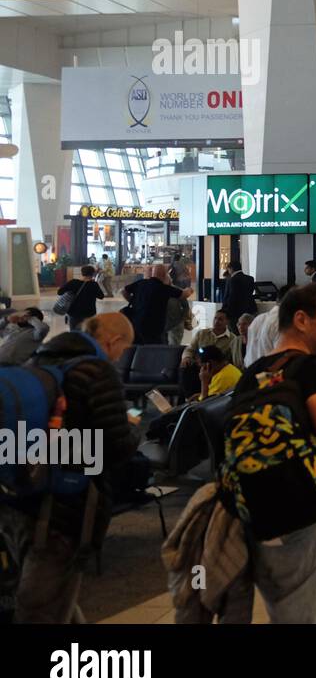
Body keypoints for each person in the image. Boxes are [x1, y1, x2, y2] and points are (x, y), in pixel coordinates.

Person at [230, 283, 316, 624]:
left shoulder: (252, 374)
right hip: (302, 516)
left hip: (259, 514)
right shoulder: (307, 368)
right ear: (301, 319)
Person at [0, 313, 136, 623]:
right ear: (112, 342)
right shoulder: (97, 371)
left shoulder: (37, 360)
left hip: (20, 491)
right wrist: (132, 428)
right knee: (44, 607)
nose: (120, 357)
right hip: (66, 505)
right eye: (123, 349)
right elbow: (116, 447)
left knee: (51, 594)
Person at [120, 265, 191, 346]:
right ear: (165, 276)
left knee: (137, 347)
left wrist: (133, 301)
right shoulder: (164, 288)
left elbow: (123, 291)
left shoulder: (141, 283)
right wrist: (189, 290)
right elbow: (183, 295)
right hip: (154, 328)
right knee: (155, 349)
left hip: (135, 325)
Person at [181, 310, 241, 396]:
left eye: (220, 319)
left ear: (227, 321)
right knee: (185, 367)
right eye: (215, 318)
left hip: (216, 370)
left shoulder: (233, 339)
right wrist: (186, 357)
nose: (216, 321)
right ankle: (186, 398)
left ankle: (200, 398)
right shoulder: (202, 333)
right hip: (199, 366)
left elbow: (231, 360)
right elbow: (190, 349)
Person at [58, 265, 105, 331]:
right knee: (88, 332)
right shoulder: (93, 285)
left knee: (74, 332)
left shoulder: (73, 282)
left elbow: (59, 292)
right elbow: (101, 296)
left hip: (73, 312)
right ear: (92, 273)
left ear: (82, 273)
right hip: (89, 312)